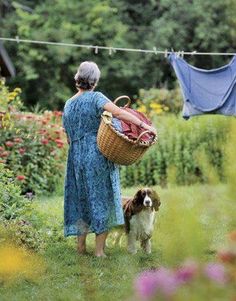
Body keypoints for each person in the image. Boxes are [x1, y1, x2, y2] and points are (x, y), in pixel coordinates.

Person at [62, 61, 157, 257]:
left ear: (77, 79)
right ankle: (99, 252)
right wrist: (144, 126)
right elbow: (120, 113)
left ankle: (80, 248)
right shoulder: (96, 97)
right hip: (97, 154)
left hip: (75, 157)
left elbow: (68, 136)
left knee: (81, 201)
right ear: (94, 81)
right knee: (101, 199)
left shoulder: (69, 103)